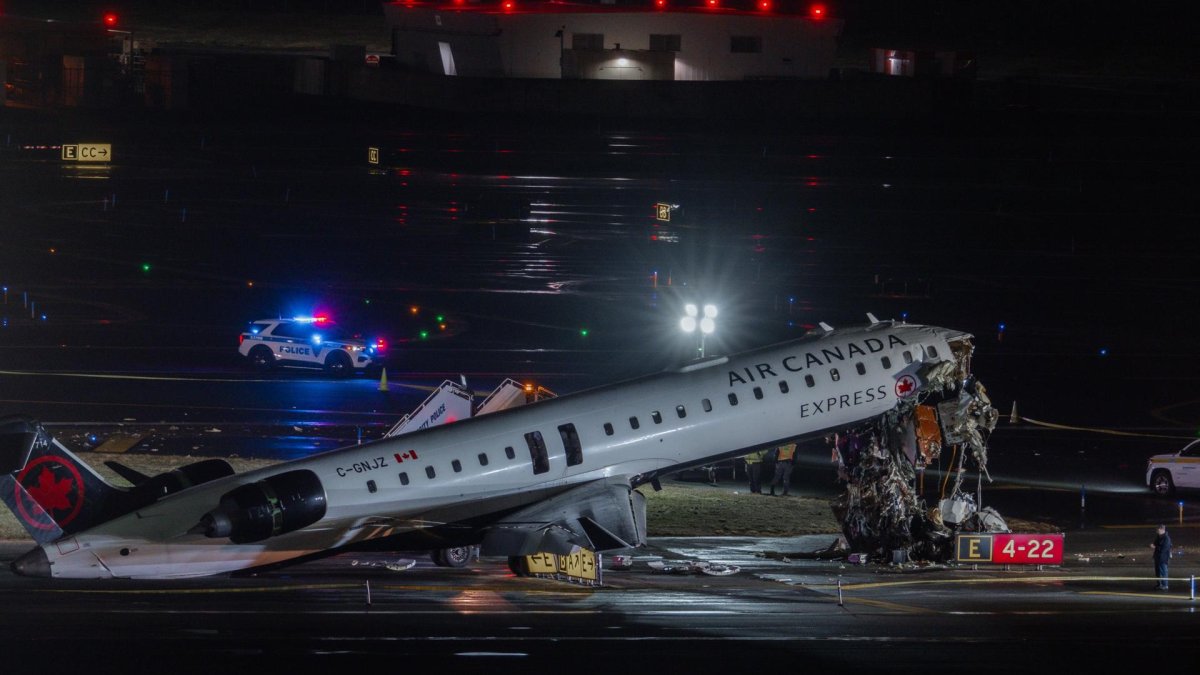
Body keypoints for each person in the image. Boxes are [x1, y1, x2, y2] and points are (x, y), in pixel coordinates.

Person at [1150, 524, 1172, 590]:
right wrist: (1153, 545)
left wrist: (1155, 547)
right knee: (1158, 572)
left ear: (1162, 529)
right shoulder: (1158, 537)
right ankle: (1159, 584)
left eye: (1158, 529)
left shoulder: (1166, 538)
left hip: (1163, 558)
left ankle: (1165, 585)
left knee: (1163, 571)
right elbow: (1155, 543)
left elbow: (1164, 549)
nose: (1157, 531)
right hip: (1157, 557)